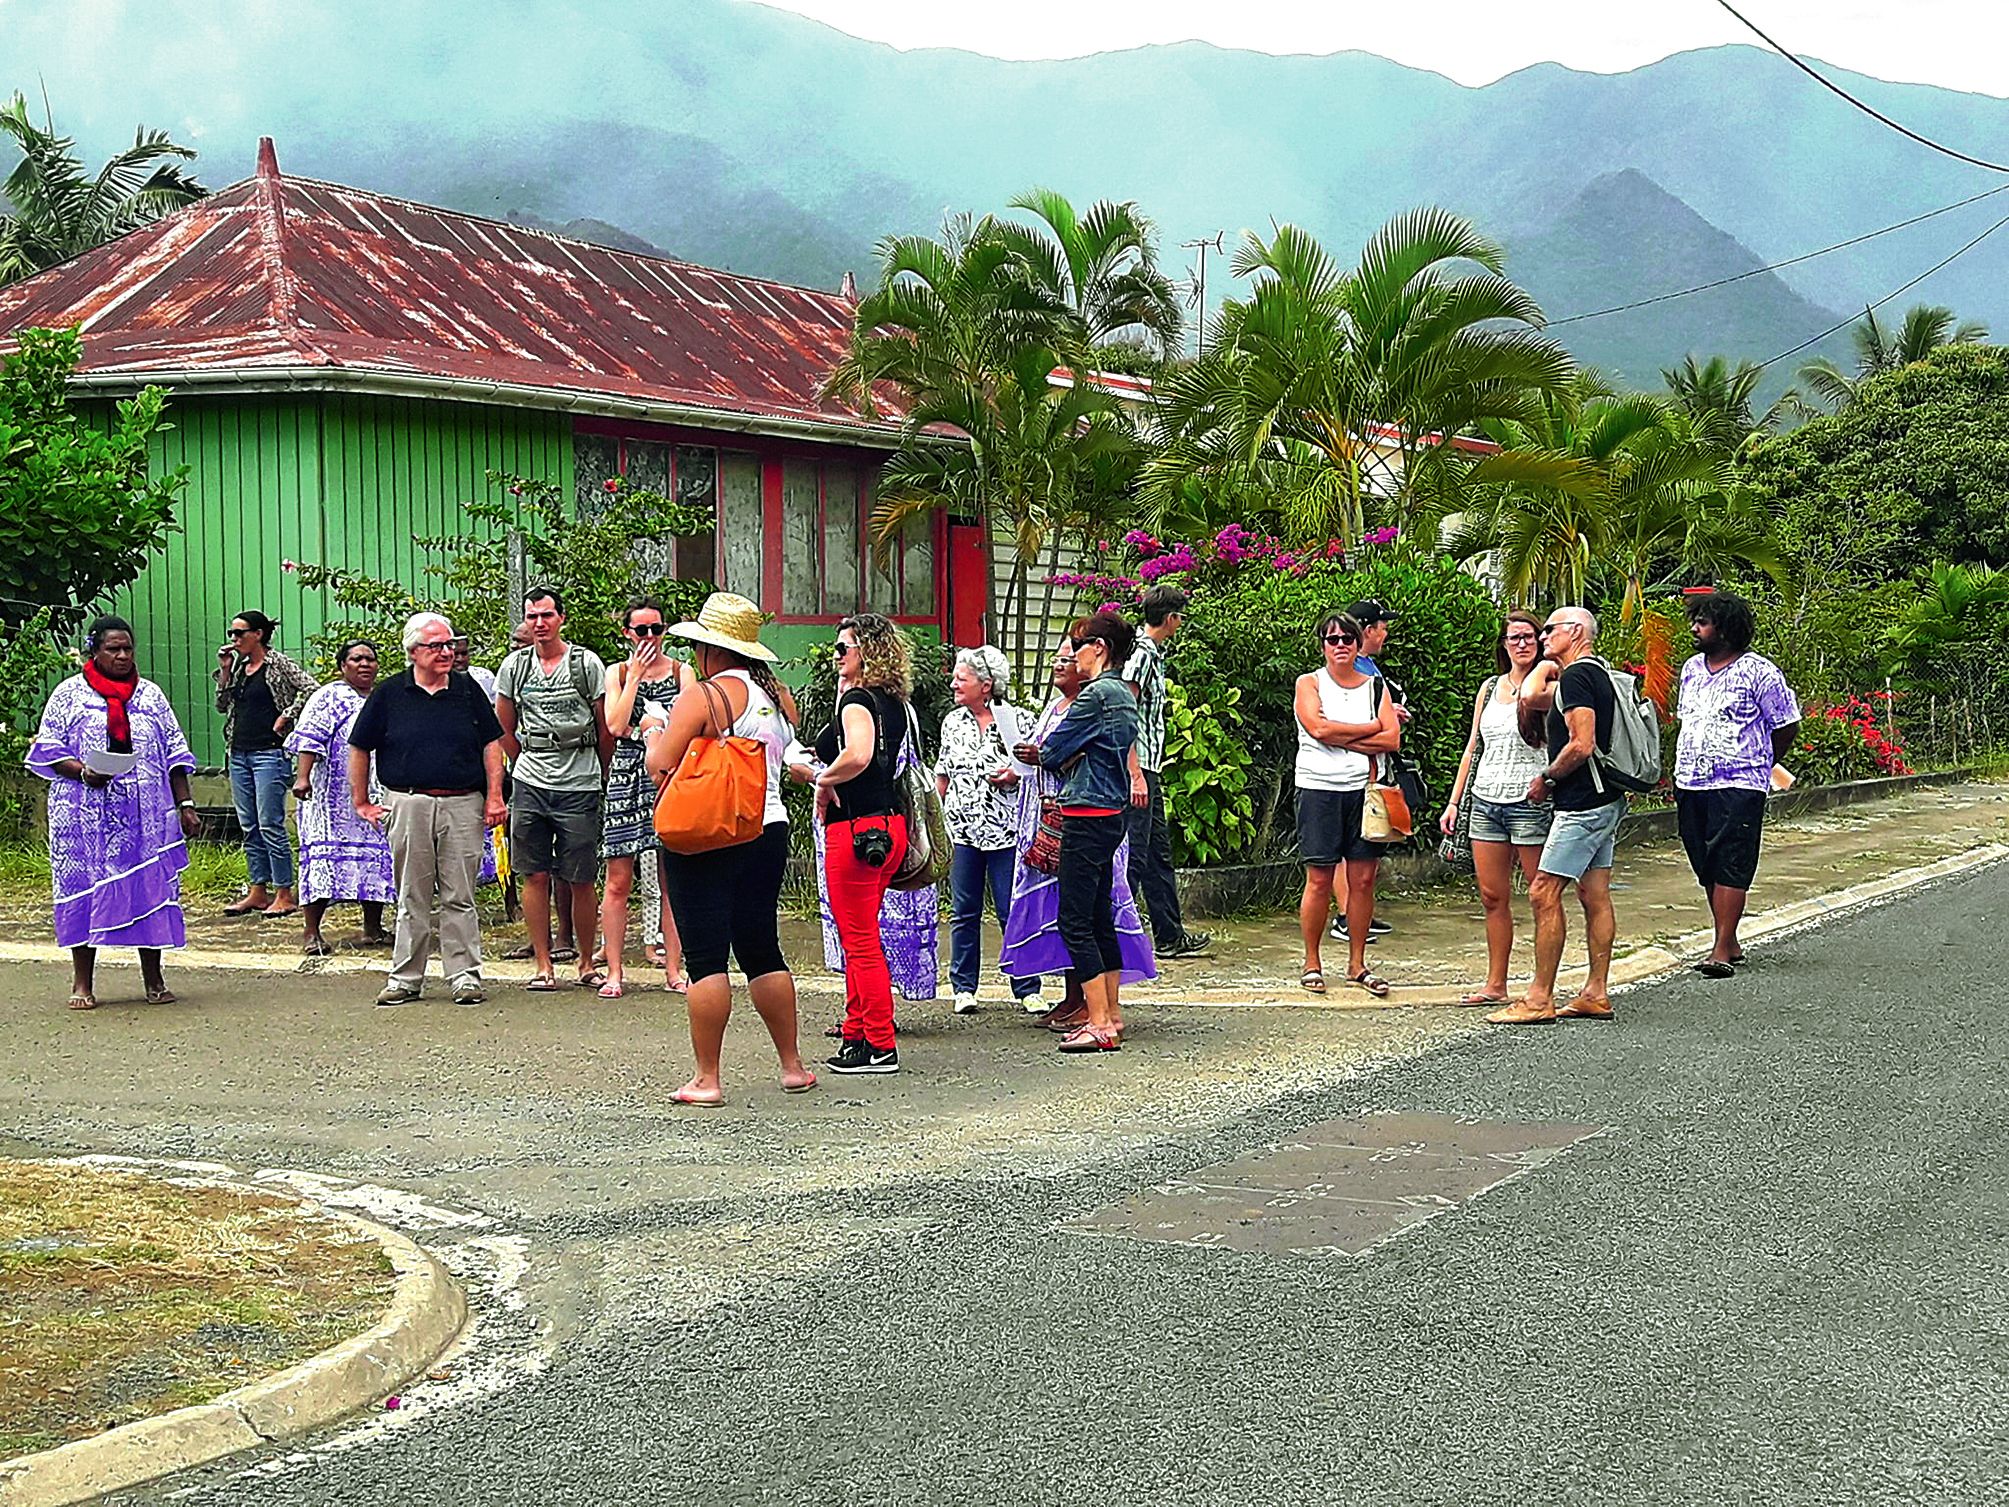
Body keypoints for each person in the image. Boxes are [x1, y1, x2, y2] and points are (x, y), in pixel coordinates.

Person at [647, 592, 815, 1105]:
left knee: (705, 956)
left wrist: (654, 727)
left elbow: (661, 763)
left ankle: (707, 1077)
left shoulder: (703, 695)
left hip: (709, 830)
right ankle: (792, 1065)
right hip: (767, 826)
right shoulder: (776, 697)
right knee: (761, 947)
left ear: (709, 649)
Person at [28, 615, 201, 1010]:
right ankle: (83, 983)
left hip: (146, 819)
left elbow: (175, 753)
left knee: (149, 891)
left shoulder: (151, 696)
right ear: (95, 651)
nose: (123, 656)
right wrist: (83, 771)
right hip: (84, 819)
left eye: (128, 649)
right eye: (113, 649)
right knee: (85, 891)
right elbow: (50, 751)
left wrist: (185, 804)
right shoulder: (69, 695)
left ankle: (154, 979)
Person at [1000, 626, 1157, 1033]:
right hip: (1112, 810)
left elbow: (1053, 750)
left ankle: (1099, 1020)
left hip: (1086, 811)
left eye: (1079, 648)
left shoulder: (1094, 695)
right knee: (1100, 915)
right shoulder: (1123, 692)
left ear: (1099, 648)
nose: (1074, 656)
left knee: (1075, 919)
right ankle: (1112, 1013)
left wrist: (1054, 753)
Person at [349, 611, 508, 1007]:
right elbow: (359, 746)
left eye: (449, 645)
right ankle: (405, 978)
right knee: (412, 893)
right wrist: (362, 802)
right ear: (413, 651)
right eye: (436, 646)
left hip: (463, 804)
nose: (446, 652)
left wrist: (494, 795)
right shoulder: (389, 693)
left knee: (460, 893)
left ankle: (465, 975)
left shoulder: (469, 690)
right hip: (409, 801)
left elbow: (492, 744)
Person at [1486, 606, 1623, 1026]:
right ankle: (1595, 992)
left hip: (1582, 802)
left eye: (1550, 630)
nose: (1542, 637)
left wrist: (1547, 777)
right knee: (1593, 893)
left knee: (1543, 891)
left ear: (1576, 632)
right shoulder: (1598, 671)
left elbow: (1581, 743)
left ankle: (1539, 997)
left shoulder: (1579, 675)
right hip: (1607, 797)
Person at [1673, 590, 1801, 977]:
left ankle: (1720, 949)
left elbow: (1786, 723)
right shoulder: (1692, 668)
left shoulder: (1760, 672)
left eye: (1704, 622)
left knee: (1731, 856)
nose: (1695, 628)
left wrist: (1762, 760)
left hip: (1739, 781)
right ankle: (1729, 939)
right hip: (1691, 780)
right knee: (1703, 858)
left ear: (1726, 629)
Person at [812, 612, 918, 1074]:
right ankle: (858, 1033)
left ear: (865, 652)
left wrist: (821, 778)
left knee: (859, 940)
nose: (836, 656)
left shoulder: (858, 700)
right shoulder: (896, 703)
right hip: (888, 826)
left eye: (843, 648)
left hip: (855, 828)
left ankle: (879, 1042)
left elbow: (858, 754)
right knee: (862, 934)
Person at [495, 587, 610, 991]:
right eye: (532, 617)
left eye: (546, 615)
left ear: (561, 617)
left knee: (580, 875)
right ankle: (543, 964)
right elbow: (503, 726)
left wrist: (601, 771)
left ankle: (584, 962)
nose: (539, 624)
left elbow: (604, 725)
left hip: (580, 780)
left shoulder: (585, 664)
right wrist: (521, 762)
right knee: (535, 873)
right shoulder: (515, 667)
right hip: (531, 780)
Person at [1438, 611, 1553, 1005]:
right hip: (1487, 799)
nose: (1521, 644)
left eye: (1528, 637)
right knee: (1491, 895)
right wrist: (1455, 802)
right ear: (1503, 645)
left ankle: (1542, 985)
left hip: (1531, 801)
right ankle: (1495, 983)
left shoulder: (1551, 683)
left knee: (1542, 895)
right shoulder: (1489, 689)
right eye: (1513, 638)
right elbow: (1474, 746)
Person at [1293, 611, 1403, 998]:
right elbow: (1317, 728)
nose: (1340, 645)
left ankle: (1357, 963)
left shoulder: (1375, 686)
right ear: (1322, 645)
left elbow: (1392, 740)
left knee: (1363, 879)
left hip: (1364, 790)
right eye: (1332, 639)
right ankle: (1312, 962)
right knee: (1320, 878)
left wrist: (1346, 737)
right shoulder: (1309, 683)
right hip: (1318, 787)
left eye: (1347, 639)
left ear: (1358, 644)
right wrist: (1371, 728)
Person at [936, 644, 1040, 1015]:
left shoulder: (1019, 720)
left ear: (986, 684)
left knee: (1013, 910)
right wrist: (937, 823)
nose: (953, 685)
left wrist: (1015, 774)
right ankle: (963, 987)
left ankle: (1026, 985)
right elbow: (943, 775)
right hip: (963, 830)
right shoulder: (952, 722)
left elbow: (1037, 771)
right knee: (964, 910)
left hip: (1007, 831)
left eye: (961, 679)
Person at [598, 599, 693, 998]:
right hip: (628, 772)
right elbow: (616, 724)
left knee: (673, 877)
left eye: (657, 629)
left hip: (670, 772)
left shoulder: (681, 671)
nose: (650, 638)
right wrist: (634, 677)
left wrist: (657, 728)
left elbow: (692, 720)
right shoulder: (616, 672)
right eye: (642, 631)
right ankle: (615, 971)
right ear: (627, 634)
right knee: (619, 878)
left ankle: (674, 968)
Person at [287, 640, 395, 956]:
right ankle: (312, 932)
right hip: (330, 798)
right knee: (324, 861)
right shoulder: (329, 697)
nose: (365, 664)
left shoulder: (381, 698)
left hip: (373, 793)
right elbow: (310, 737)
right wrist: (303, 777)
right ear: (343, 666)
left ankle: (373, 928)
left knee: (376, 858)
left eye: (370, 659)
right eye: (357, 659)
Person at [1122, 584, 1211, 959]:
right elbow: (1124, 713)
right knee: (1135, 854)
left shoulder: (1154, 655)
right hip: (1139, 766)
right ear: (1171, 618)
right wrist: (1135, 773)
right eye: (1180, 617)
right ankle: (1118, 932)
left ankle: (1169, 934)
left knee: (1158, 853)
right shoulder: (1141, 656)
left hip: (1151, 766)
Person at [215, 609, 317, 919]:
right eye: (232, 634)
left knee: (270, 822)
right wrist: (225, 671)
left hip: (270, 753)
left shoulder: (278, 664)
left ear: (258, 634)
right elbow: (221, 705)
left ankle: (284, 891)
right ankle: (258, 890)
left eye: (239, 633)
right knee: (249, 825)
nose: (234, 640)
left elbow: (310, 688)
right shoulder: (240, 668)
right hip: (239, 752)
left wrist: (287, 713)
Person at [1332, 597, 1405, 946]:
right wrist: (1382, 725)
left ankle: (1358, 913)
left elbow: (1387, 727)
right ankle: (1346, 915)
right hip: (1347, 773)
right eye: (1381, 627)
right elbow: (1340, 725)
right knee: (1341, 848)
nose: (1385, 634)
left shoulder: (1371, 670)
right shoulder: (1349, 672)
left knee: (1365, 844)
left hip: (1374, 766)